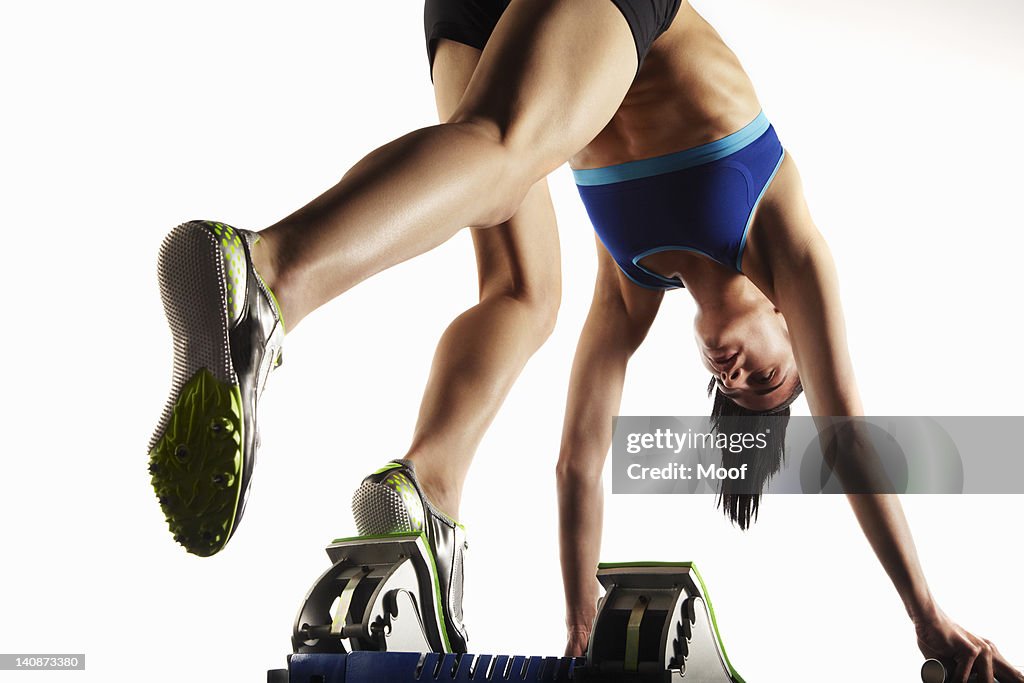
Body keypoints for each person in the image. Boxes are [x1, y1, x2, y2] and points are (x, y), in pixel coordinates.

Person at [145, 0, 1019, 678]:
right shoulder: (787, 238)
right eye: (770, 375)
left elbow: (578, 460)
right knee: (500, 150)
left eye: (735, 390)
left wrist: (579, 624)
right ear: (790, 323)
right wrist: (926, 615)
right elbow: (849, 441)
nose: (740, 373)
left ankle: (428, 492)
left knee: (524, 291)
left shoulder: (634, 286)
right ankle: (268, 275)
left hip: (481, 20)